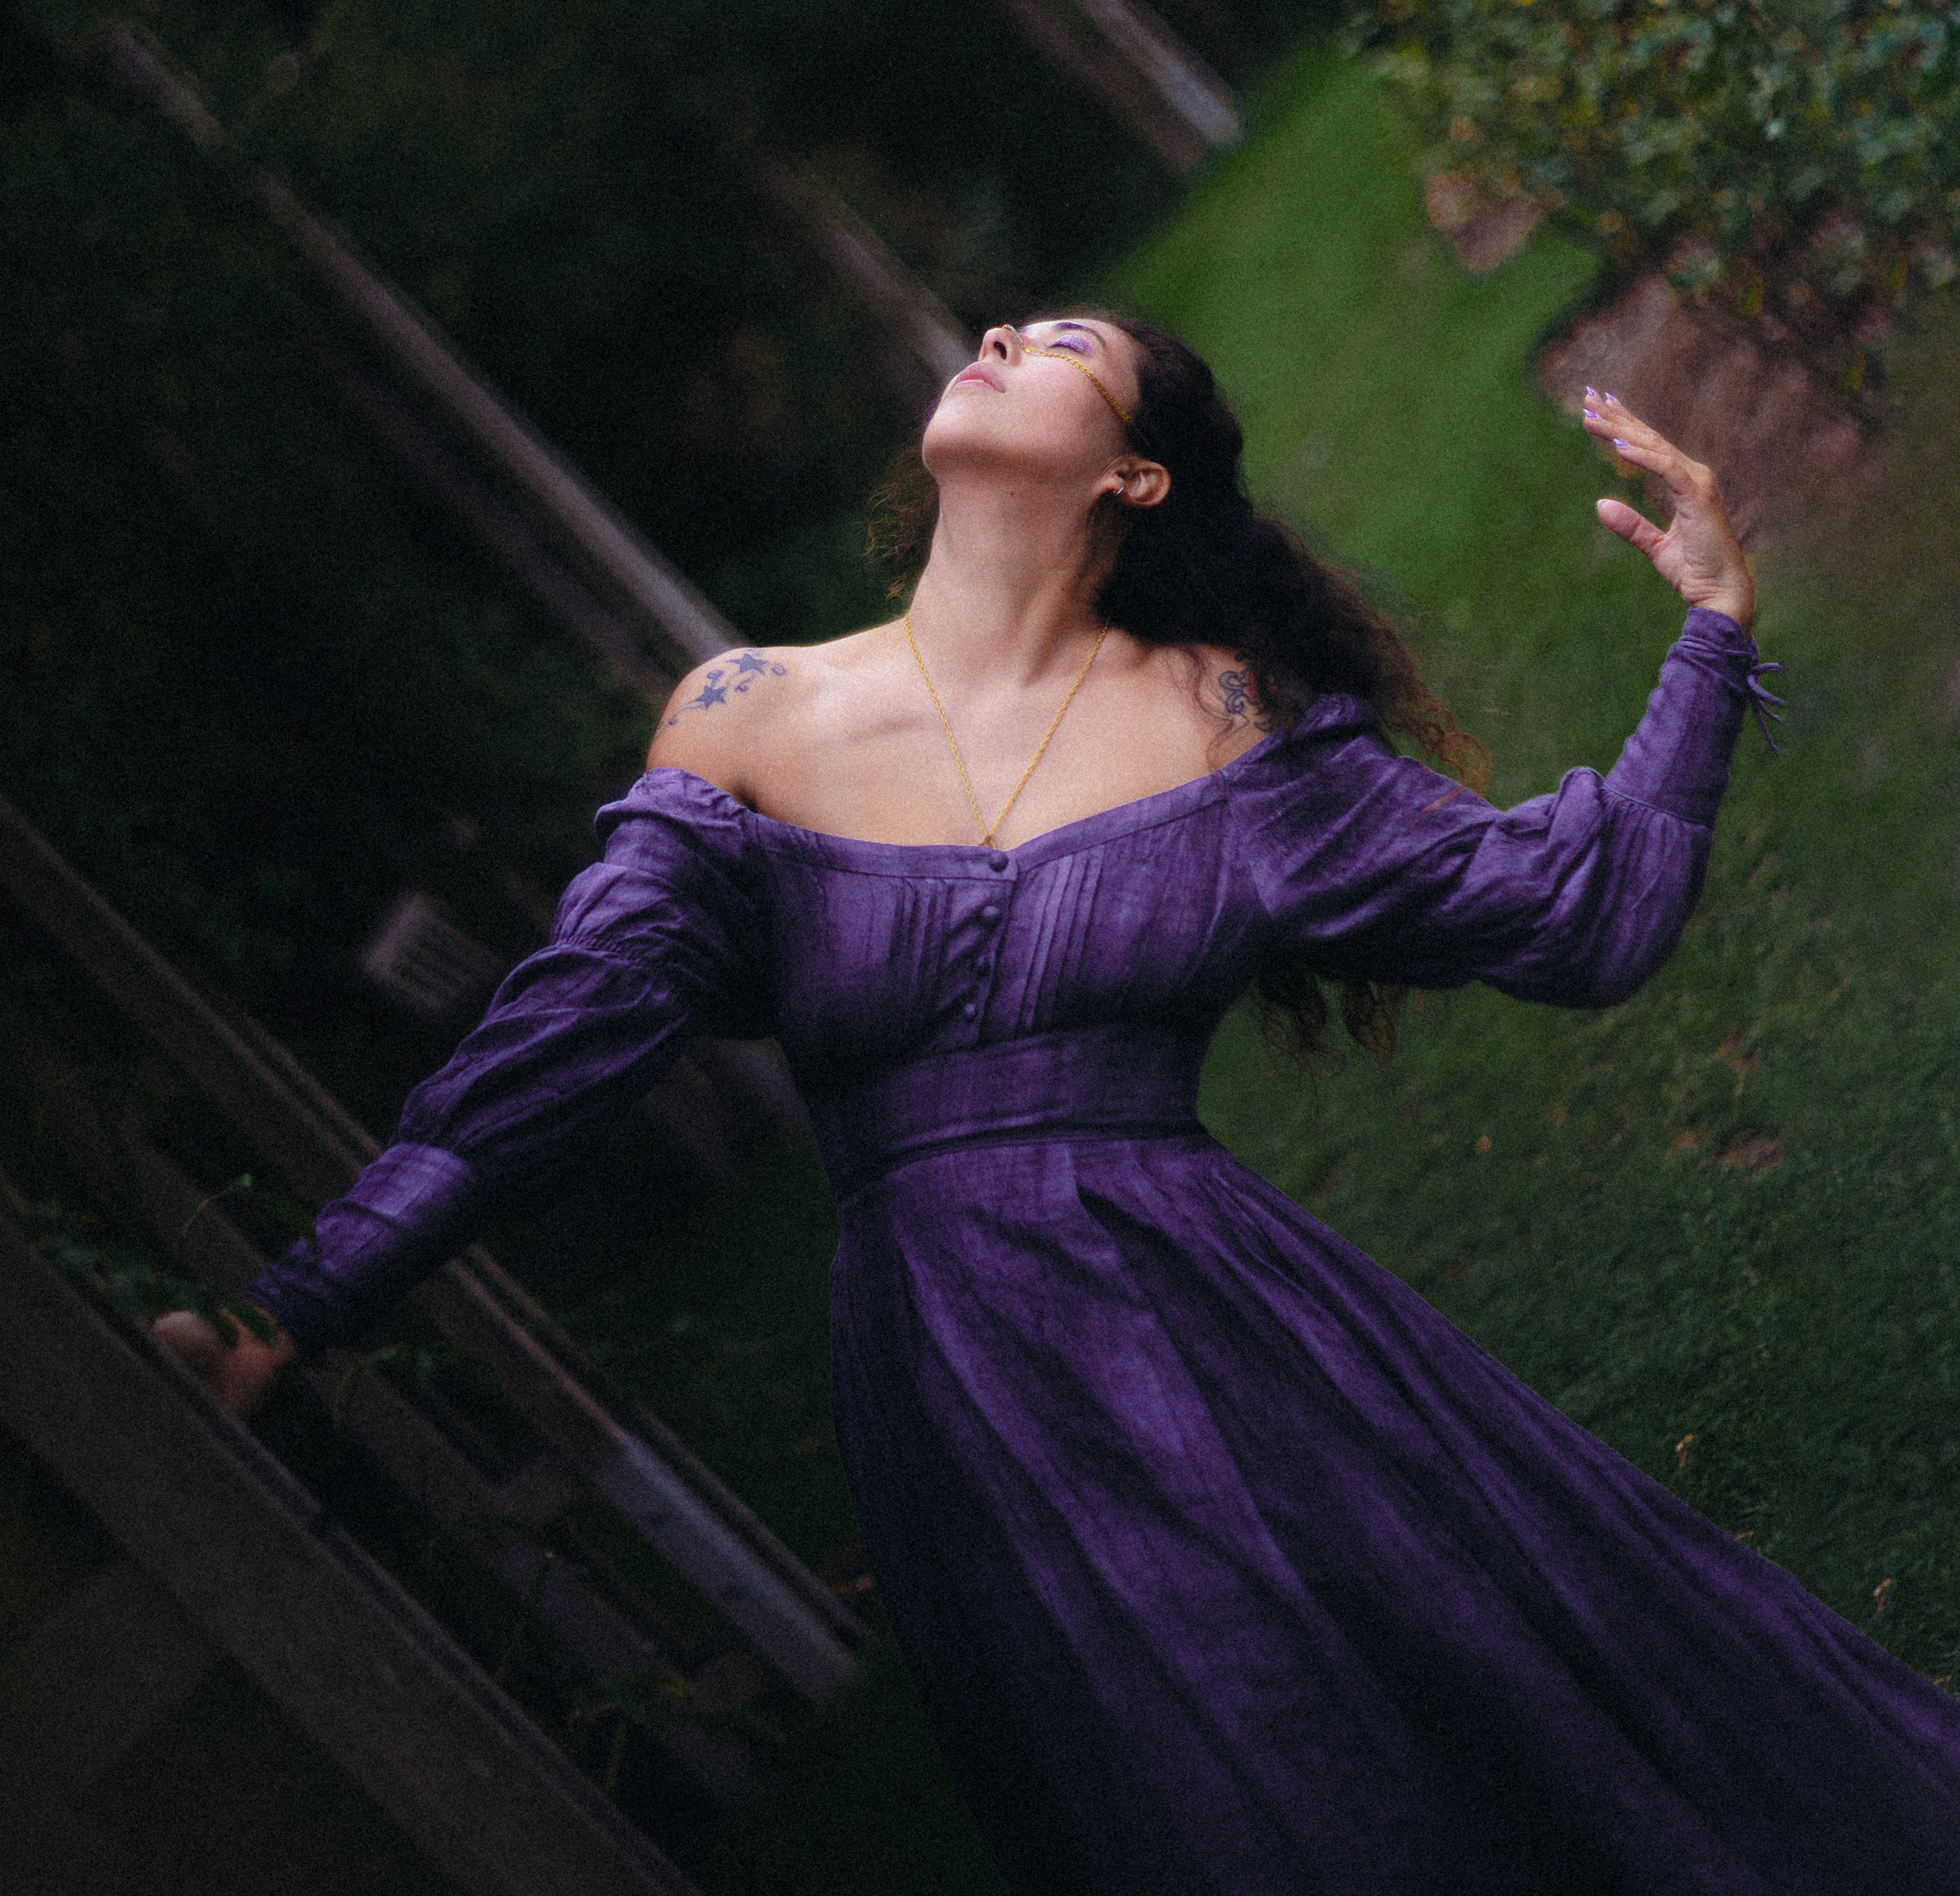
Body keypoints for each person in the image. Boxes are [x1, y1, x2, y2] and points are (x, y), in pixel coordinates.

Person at [159, 316, 1960, 1894]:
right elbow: (541, 1061)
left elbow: (1578, 911)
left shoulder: (1217, 721)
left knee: (1495, 1683)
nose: (1003, 334)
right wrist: (294, 1304)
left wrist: (1710, 635)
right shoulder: (745, 718)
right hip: (965, 1384)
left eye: (1065, 349)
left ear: (1137, 478)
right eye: (1004, 328)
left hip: (1245, 1336)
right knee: (1222, 1791)